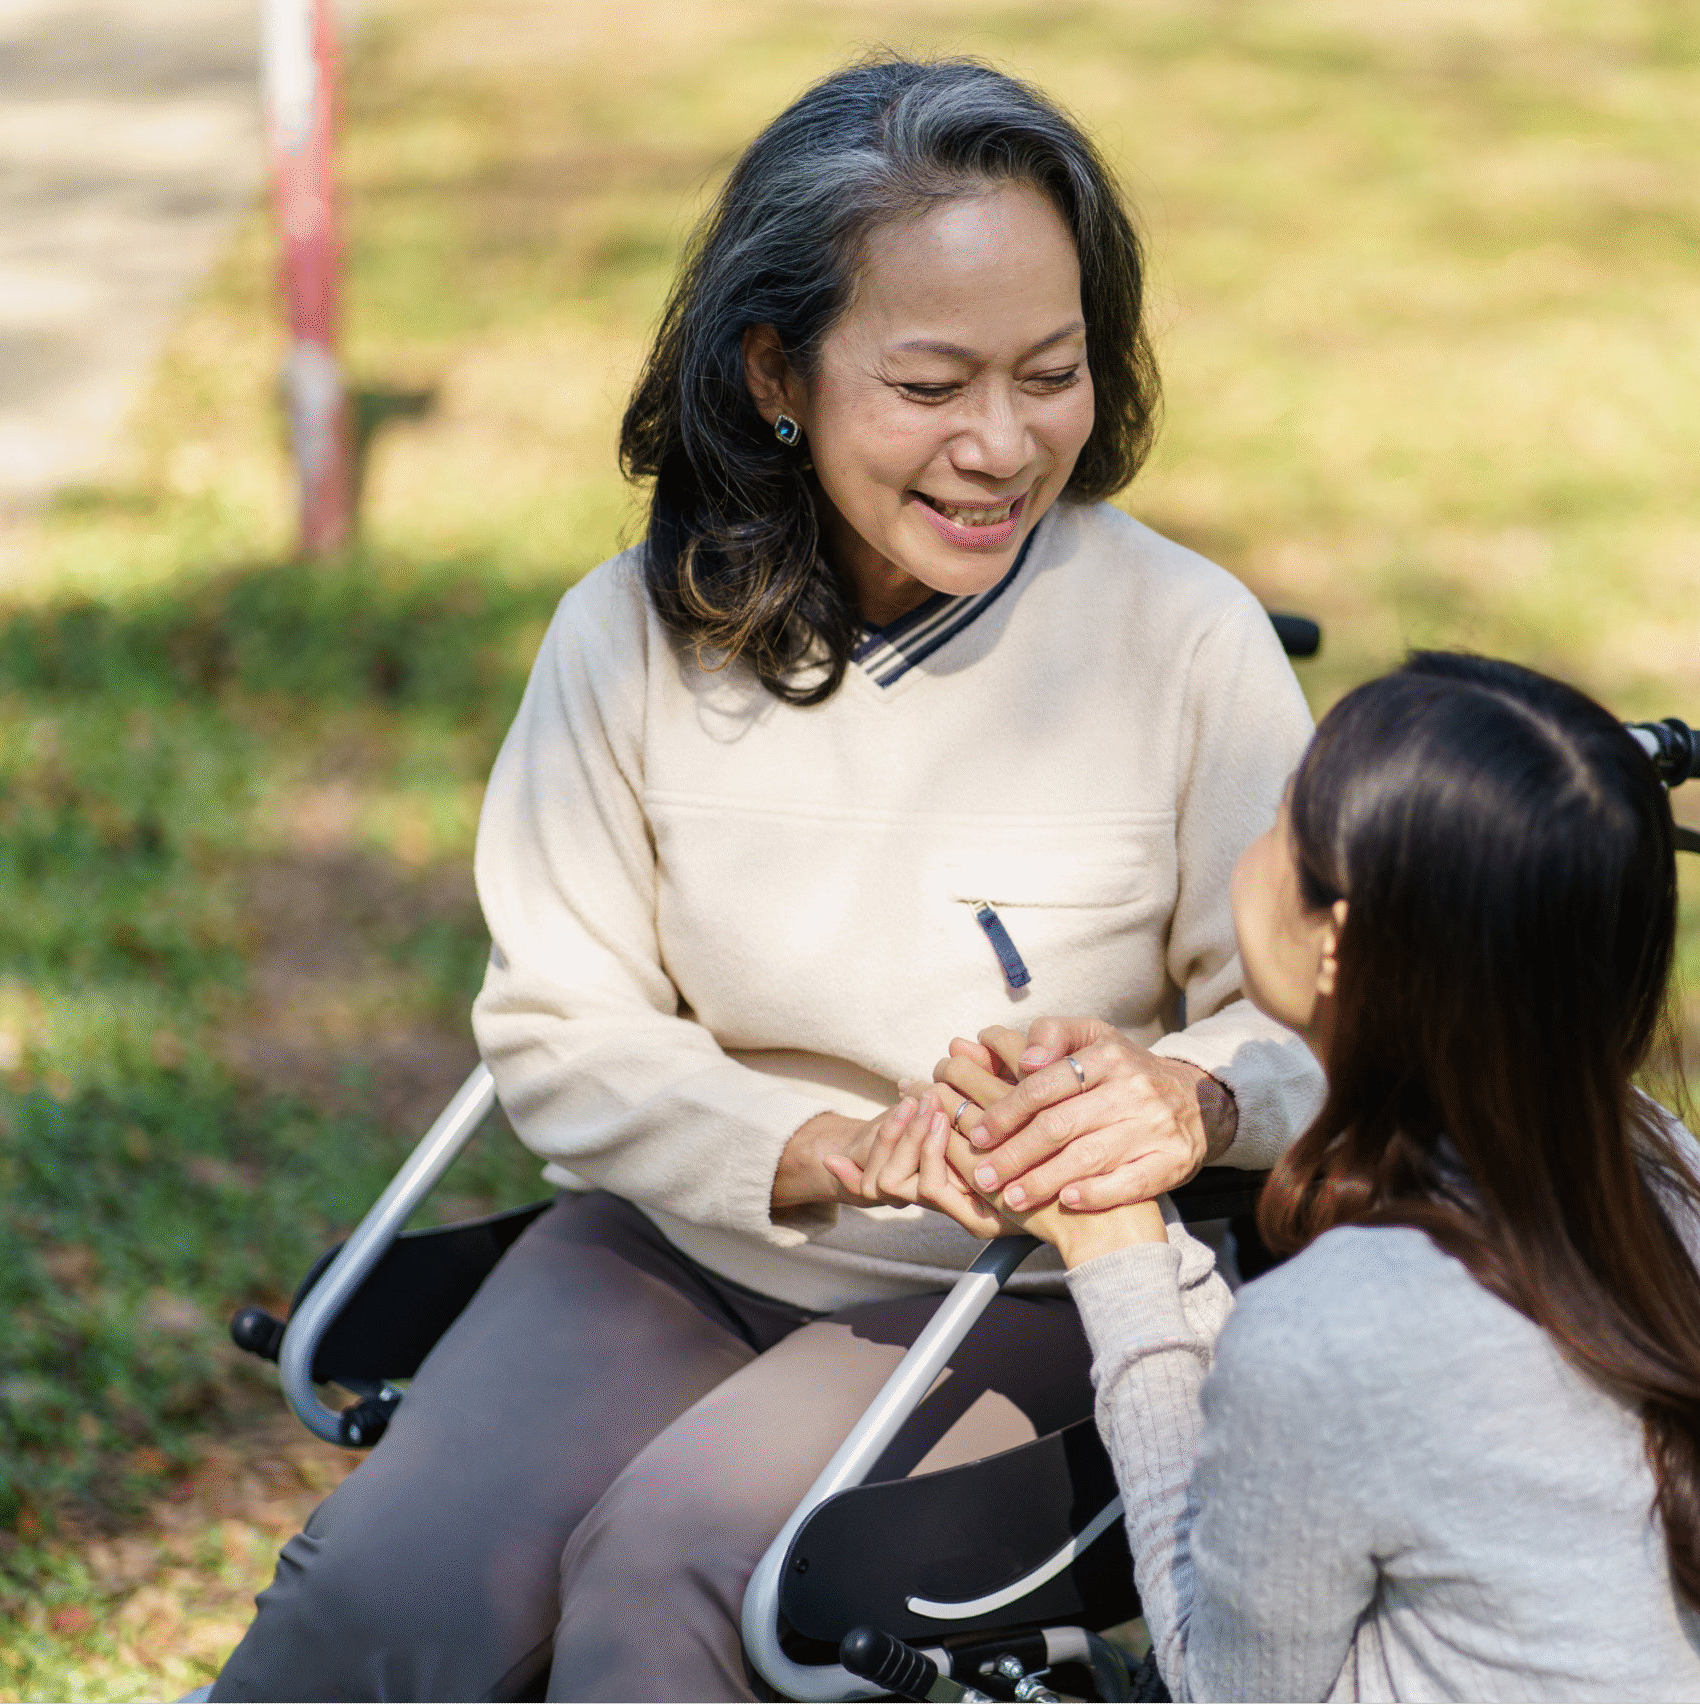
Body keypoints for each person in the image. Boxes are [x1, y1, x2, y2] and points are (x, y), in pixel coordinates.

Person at [213, 56, 1321, 1703]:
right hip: (686, 1236)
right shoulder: (627, 637)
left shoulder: (1182, 639)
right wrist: (829, 1146)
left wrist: (1187, 1101)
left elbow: (1315, 1011)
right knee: (381, 1598)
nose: (1003, 444)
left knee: (670, 1584)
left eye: (1053, 371)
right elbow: (561, 1028)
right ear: (775, 370)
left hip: (1033, 1282)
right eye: (933, 384)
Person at [913, 653, 1700, 1703]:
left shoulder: (1340, 1321)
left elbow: (1227, 1691)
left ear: (1333, 942)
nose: (1250, 854)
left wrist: (1121, 1256)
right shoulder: (1657, 1165)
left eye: (1280, 826)